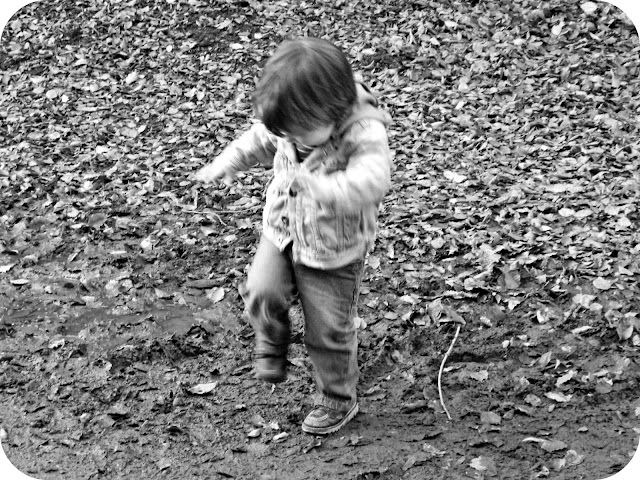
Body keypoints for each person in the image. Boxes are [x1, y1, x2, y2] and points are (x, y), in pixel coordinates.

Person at [195, 37, 392, 435]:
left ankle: (338, 399)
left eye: (301, 132)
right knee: (260, 290)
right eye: (286, 131)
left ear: (333, 111)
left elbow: (375, 178)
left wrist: (327, 191)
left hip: (334, 250)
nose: (293, 140)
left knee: (328, 332)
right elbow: (258, 139)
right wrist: (226, 163)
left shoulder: (362, 131)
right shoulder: (292, 122)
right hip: (283, 230)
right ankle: (272, 339)